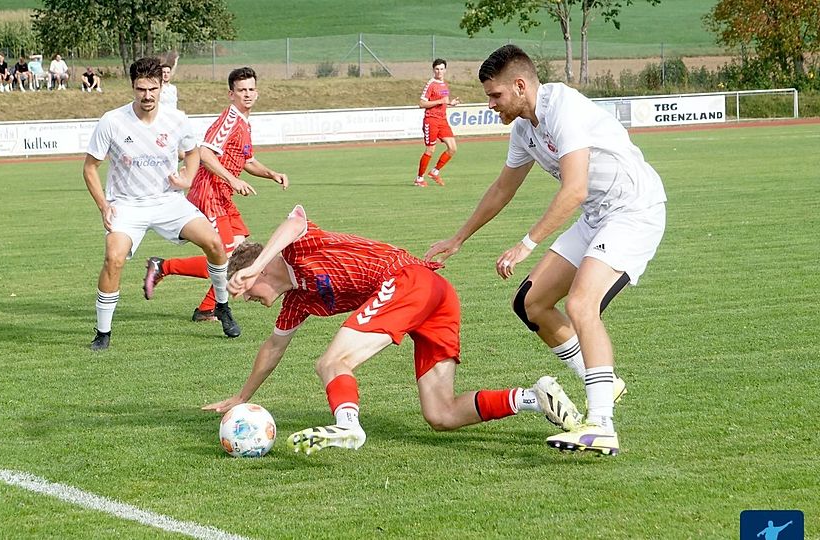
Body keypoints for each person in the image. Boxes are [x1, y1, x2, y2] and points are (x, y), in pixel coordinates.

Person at [425, 44, 667, 456]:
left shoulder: (563, 109)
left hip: (633, 211)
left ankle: (601, 425)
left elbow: (573, 189)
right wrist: (458, 238)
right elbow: (503, 188)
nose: (490, 105)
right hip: (597, 216)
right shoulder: (524, 129)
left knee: (581, 305)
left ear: (520, 86)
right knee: (530, 302)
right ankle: (604, 379)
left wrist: (526, 244)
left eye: (495, 95)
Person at [203, 205, 583, 455]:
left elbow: (294, 220)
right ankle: (535, 398)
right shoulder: (298, 302)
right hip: (431, 297)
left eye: (245, 287)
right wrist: (242, 395)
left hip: (409, 280)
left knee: (332, 363)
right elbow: (273, 348)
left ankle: (348, 426)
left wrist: (256, 264)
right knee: (441, 414)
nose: (246, 297)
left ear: (260, 270)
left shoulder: (298, 248)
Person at [83, 57, 241, 350]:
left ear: (161, 86)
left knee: (216, 245)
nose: (147, 96)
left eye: (152, 89)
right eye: (141, 89)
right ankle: (103, 333)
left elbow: (192, 152)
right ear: (132, 87)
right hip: (127, 205)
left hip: (169, 202)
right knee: (113, 257)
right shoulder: (112, 121)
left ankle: (222, 305)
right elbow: (90, 167)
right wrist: (104, 205)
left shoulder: (176, 119)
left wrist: (188, 179)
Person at [143, 67, 289, 325]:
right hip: (209, 194)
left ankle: (206, 308)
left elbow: (248, 160)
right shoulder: (229, 120)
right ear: (231, 94)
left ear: (257, 92)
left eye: (251, 89)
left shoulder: (244, 122)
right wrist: (232, 179)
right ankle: (164, 268)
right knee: (225, 256)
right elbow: (205, 153)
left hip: (223, 196)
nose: (247, 94)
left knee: (241, 253)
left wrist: (272, 173)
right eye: (241, 90)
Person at [415, 58, 460, 187]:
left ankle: (434, 172)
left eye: (441, 69)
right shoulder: (431, 84)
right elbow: (422, 103)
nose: (439, 71)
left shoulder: (444, 84)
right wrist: (440, 101)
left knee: (452, 148)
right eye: (437, 69)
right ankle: (419, 179)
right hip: (431, 120)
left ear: (445, 70)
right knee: (430, 150)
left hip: (442, 120)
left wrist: (450, 103)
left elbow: (444, 100)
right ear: (433, 70)